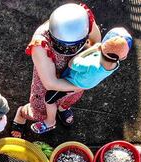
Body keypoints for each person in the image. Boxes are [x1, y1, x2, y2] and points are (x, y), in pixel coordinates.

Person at [11, 3, 101, 137]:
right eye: (62, 46)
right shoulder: (40, 43)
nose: (68, 51)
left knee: (70, 98)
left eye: (73, 47)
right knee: (40, 108)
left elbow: (96, 42)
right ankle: (22, 113)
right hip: (52, 81)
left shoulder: (84, 20)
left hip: (73, 77)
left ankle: (62, 107)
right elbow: (50, 83)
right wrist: (81, 84)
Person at [33, 27, 132, 134]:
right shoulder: (115, 64)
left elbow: (72, 63)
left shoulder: (90, 65)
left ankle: (50, 122)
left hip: (71, 83)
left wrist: (93, 48)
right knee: (70, 97)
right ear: (123, 57)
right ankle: (62, 109)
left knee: (49, 99)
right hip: (85, 84)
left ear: (101, 46)